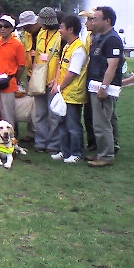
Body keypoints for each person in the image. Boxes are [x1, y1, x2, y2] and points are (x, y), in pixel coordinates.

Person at [86, 6, 124, 167]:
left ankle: (106, 156)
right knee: (99, 121)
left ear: (107, 20)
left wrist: (104, 87)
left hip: (103, 87)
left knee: (102, 123)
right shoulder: (100, 37)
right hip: (95, 85)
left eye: (96, 18)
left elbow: (112, 66)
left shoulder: (112, 39)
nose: (93, 21)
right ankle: (102, 152)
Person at [50, 15, 88, 164]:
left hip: (73, 94)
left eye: (62, 27)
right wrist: (55, 84)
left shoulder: (78, 48)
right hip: (63, 93)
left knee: (73, 125)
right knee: (62, 123)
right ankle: (65, 151)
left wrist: (59, 86)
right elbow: (61, 66)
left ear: (70, 29)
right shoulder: (67, 46)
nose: (60, 30)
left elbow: (73, 72)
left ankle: (76, 153)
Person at [31, 7, 62, 154]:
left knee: (53, 115)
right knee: (40, 113)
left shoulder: (60, 36)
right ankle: (41, 141)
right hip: (39, 79)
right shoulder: (41, 34)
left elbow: (62, 60)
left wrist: (56, 80)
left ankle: (54, 144)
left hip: (52, 81)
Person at [0, 15, 25, 126]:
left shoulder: (17, 45)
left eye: (6, 26)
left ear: (11, 28)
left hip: (7, 85)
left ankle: (11, 140)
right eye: (0, 26)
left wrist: (13, 79)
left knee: (7, 116)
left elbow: (21, 66)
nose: (2, 29)